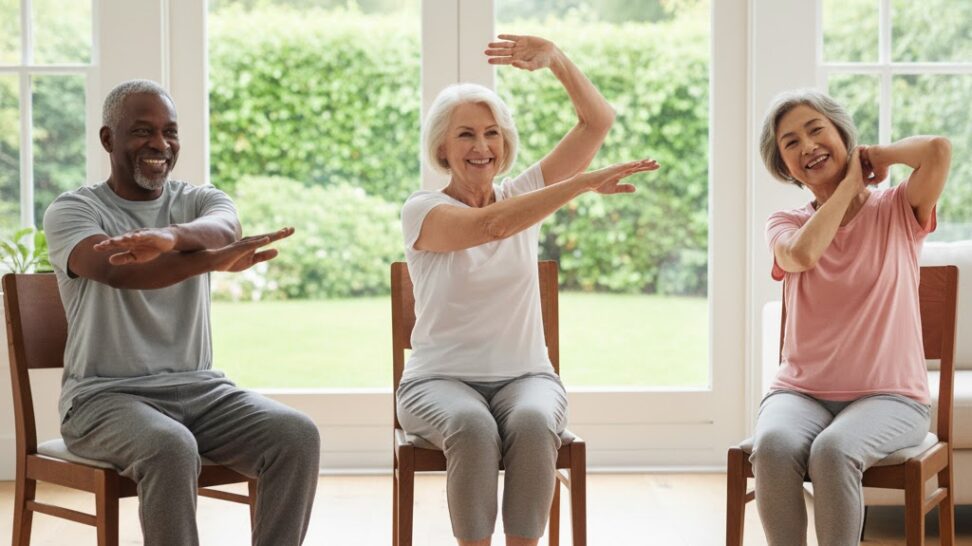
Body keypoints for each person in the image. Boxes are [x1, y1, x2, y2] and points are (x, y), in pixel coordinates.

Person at [397, 34, 658, 546]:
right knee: (472, 428)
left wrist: (556, 58)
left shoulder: (525, 194)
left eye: (491, 133)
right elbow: (492, 226)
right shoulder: (423, 209)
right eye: (466, 135)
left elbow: (597, 122)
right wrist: (581, 183)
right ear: (442, 148)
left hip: (526, 377)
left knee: (537, 422)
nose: (482, 147)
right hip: (437, 382)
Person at [42, 79, 320, 546]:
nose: (160, 144)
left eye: (169, 131)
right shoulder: (73, 210)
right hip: (102, 400)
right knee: (169, 446)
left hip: (201, 391)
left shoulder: (198, 200)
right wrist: (211, 260)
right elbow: (118, 270)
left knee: (296, 435)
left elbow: (226, 226)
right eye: (142, 131)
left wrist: (170, 238)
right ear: (108, 139)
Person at [751, 89, 951, 545]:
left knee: (834, 450)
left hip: (893, 398)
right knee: (773, 447)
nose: (807, 146)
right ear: (785, 167)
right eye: (791, 143)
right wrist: (849, 186)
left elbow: (938, 150)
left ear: (843, 135)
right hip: (801, 392)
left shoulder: (897, 209)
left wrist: (876, 157)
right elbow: (802, 254)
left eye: (816, 130)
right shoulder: (784, 223)